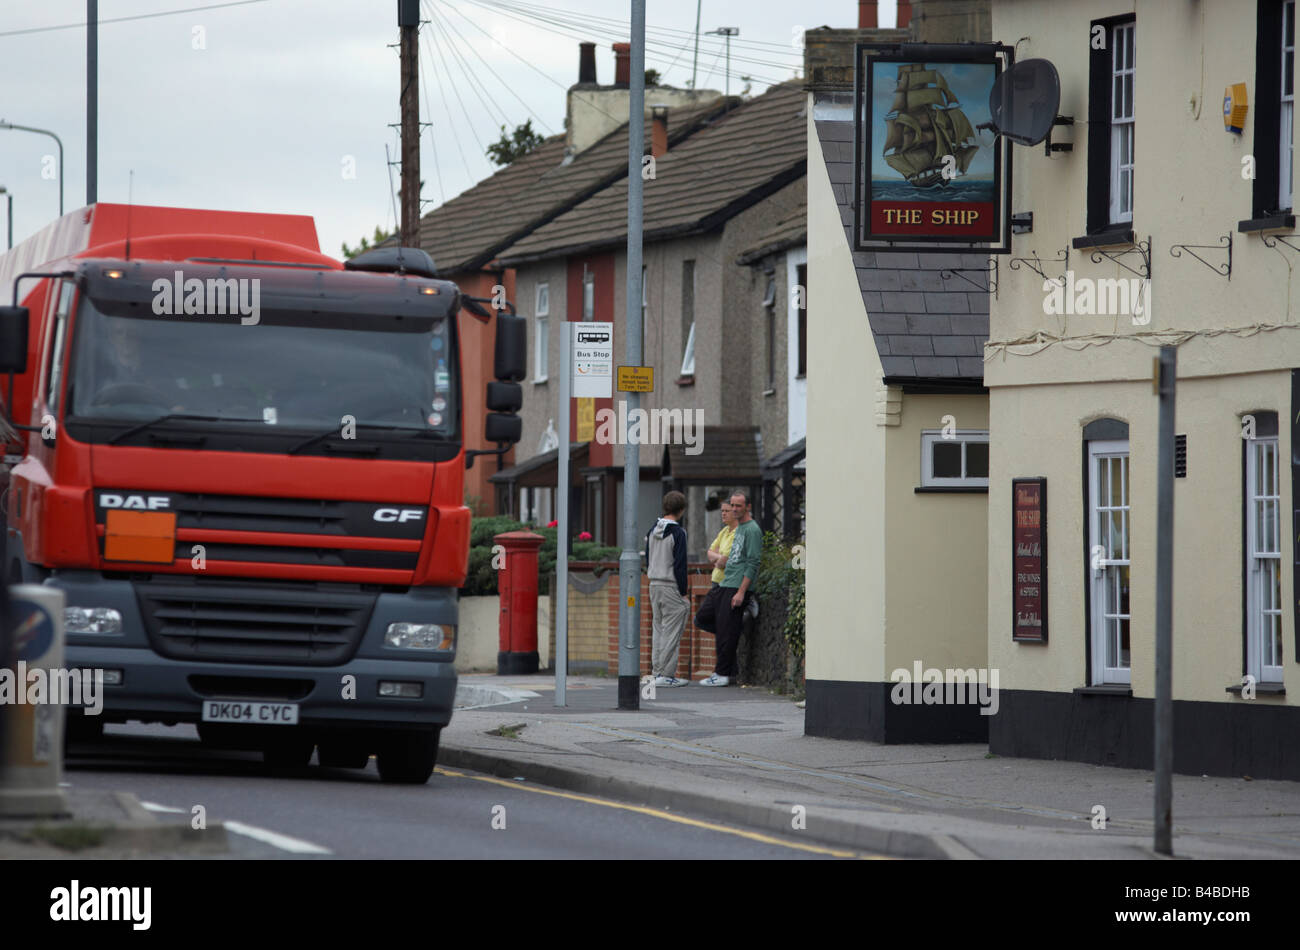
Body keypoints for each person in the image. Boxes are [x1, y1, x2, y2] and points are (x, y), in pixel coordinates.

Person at [700, 489, 761, 687]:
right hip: (725, 582)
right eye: (732, 506)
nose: (734, 509)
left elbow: (752, 563)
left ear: (748, 507)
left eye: (738, 506)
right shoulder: (739, 529)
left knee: (726, 631)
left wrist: (742, 592)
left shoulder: (752, 529)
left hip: (736, 587)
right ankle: (727, 670)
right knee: (708, 620)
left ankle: (723, 673)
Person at [645, 490, 691, 687]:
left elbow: (647, 558)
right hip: (671, 585)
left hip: (653, 584)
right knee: (672, 631)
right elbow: (680, 565)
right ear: (681, 510)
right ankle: (667, 674)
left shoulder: (652, 530)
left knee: (658, 629)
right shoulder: (678, 533)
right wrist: (683, 592)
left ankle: (656, 672)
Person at [694, 498, 736, 634]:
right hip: (716, 582)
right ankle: (730, 632)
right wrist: (719, 558)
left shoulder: (739, 533)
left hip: (727, 584)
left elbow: (726, 561)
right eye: (722, 511)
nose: (723, 514)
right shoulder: (724, 532)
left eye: (727, 511)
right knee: (700, 619)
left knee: (718, 619)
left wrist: (719, 559)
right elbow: (710, 553)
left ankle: (732, 631)